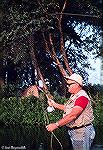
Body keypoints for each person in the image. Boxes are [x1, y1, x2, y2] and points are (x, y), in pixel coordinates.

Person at [46, 73, 95, 150]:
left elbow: (73, 115)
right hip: (75, 132)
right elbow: (67, 108)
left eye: (69, 84)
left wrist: (55, 125)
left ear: (76, 85)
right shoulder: (74, 96)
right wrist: (54, 104)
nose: (67, 86)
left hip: (82, 133)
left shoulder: (82, 98)